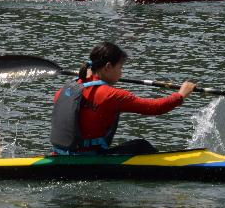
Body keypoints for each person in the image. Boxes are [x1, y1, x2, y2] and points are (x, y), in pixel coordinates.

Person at [50, 41, 197, 155]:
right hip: (90, 157)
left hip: (61, 154)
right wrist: (181, 95)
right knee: (141, 146)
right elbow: (154, 107)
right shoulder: (111, 95)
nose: (121, 73)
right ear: (108, 67)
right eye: (120, 67)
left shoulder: (66, 88)